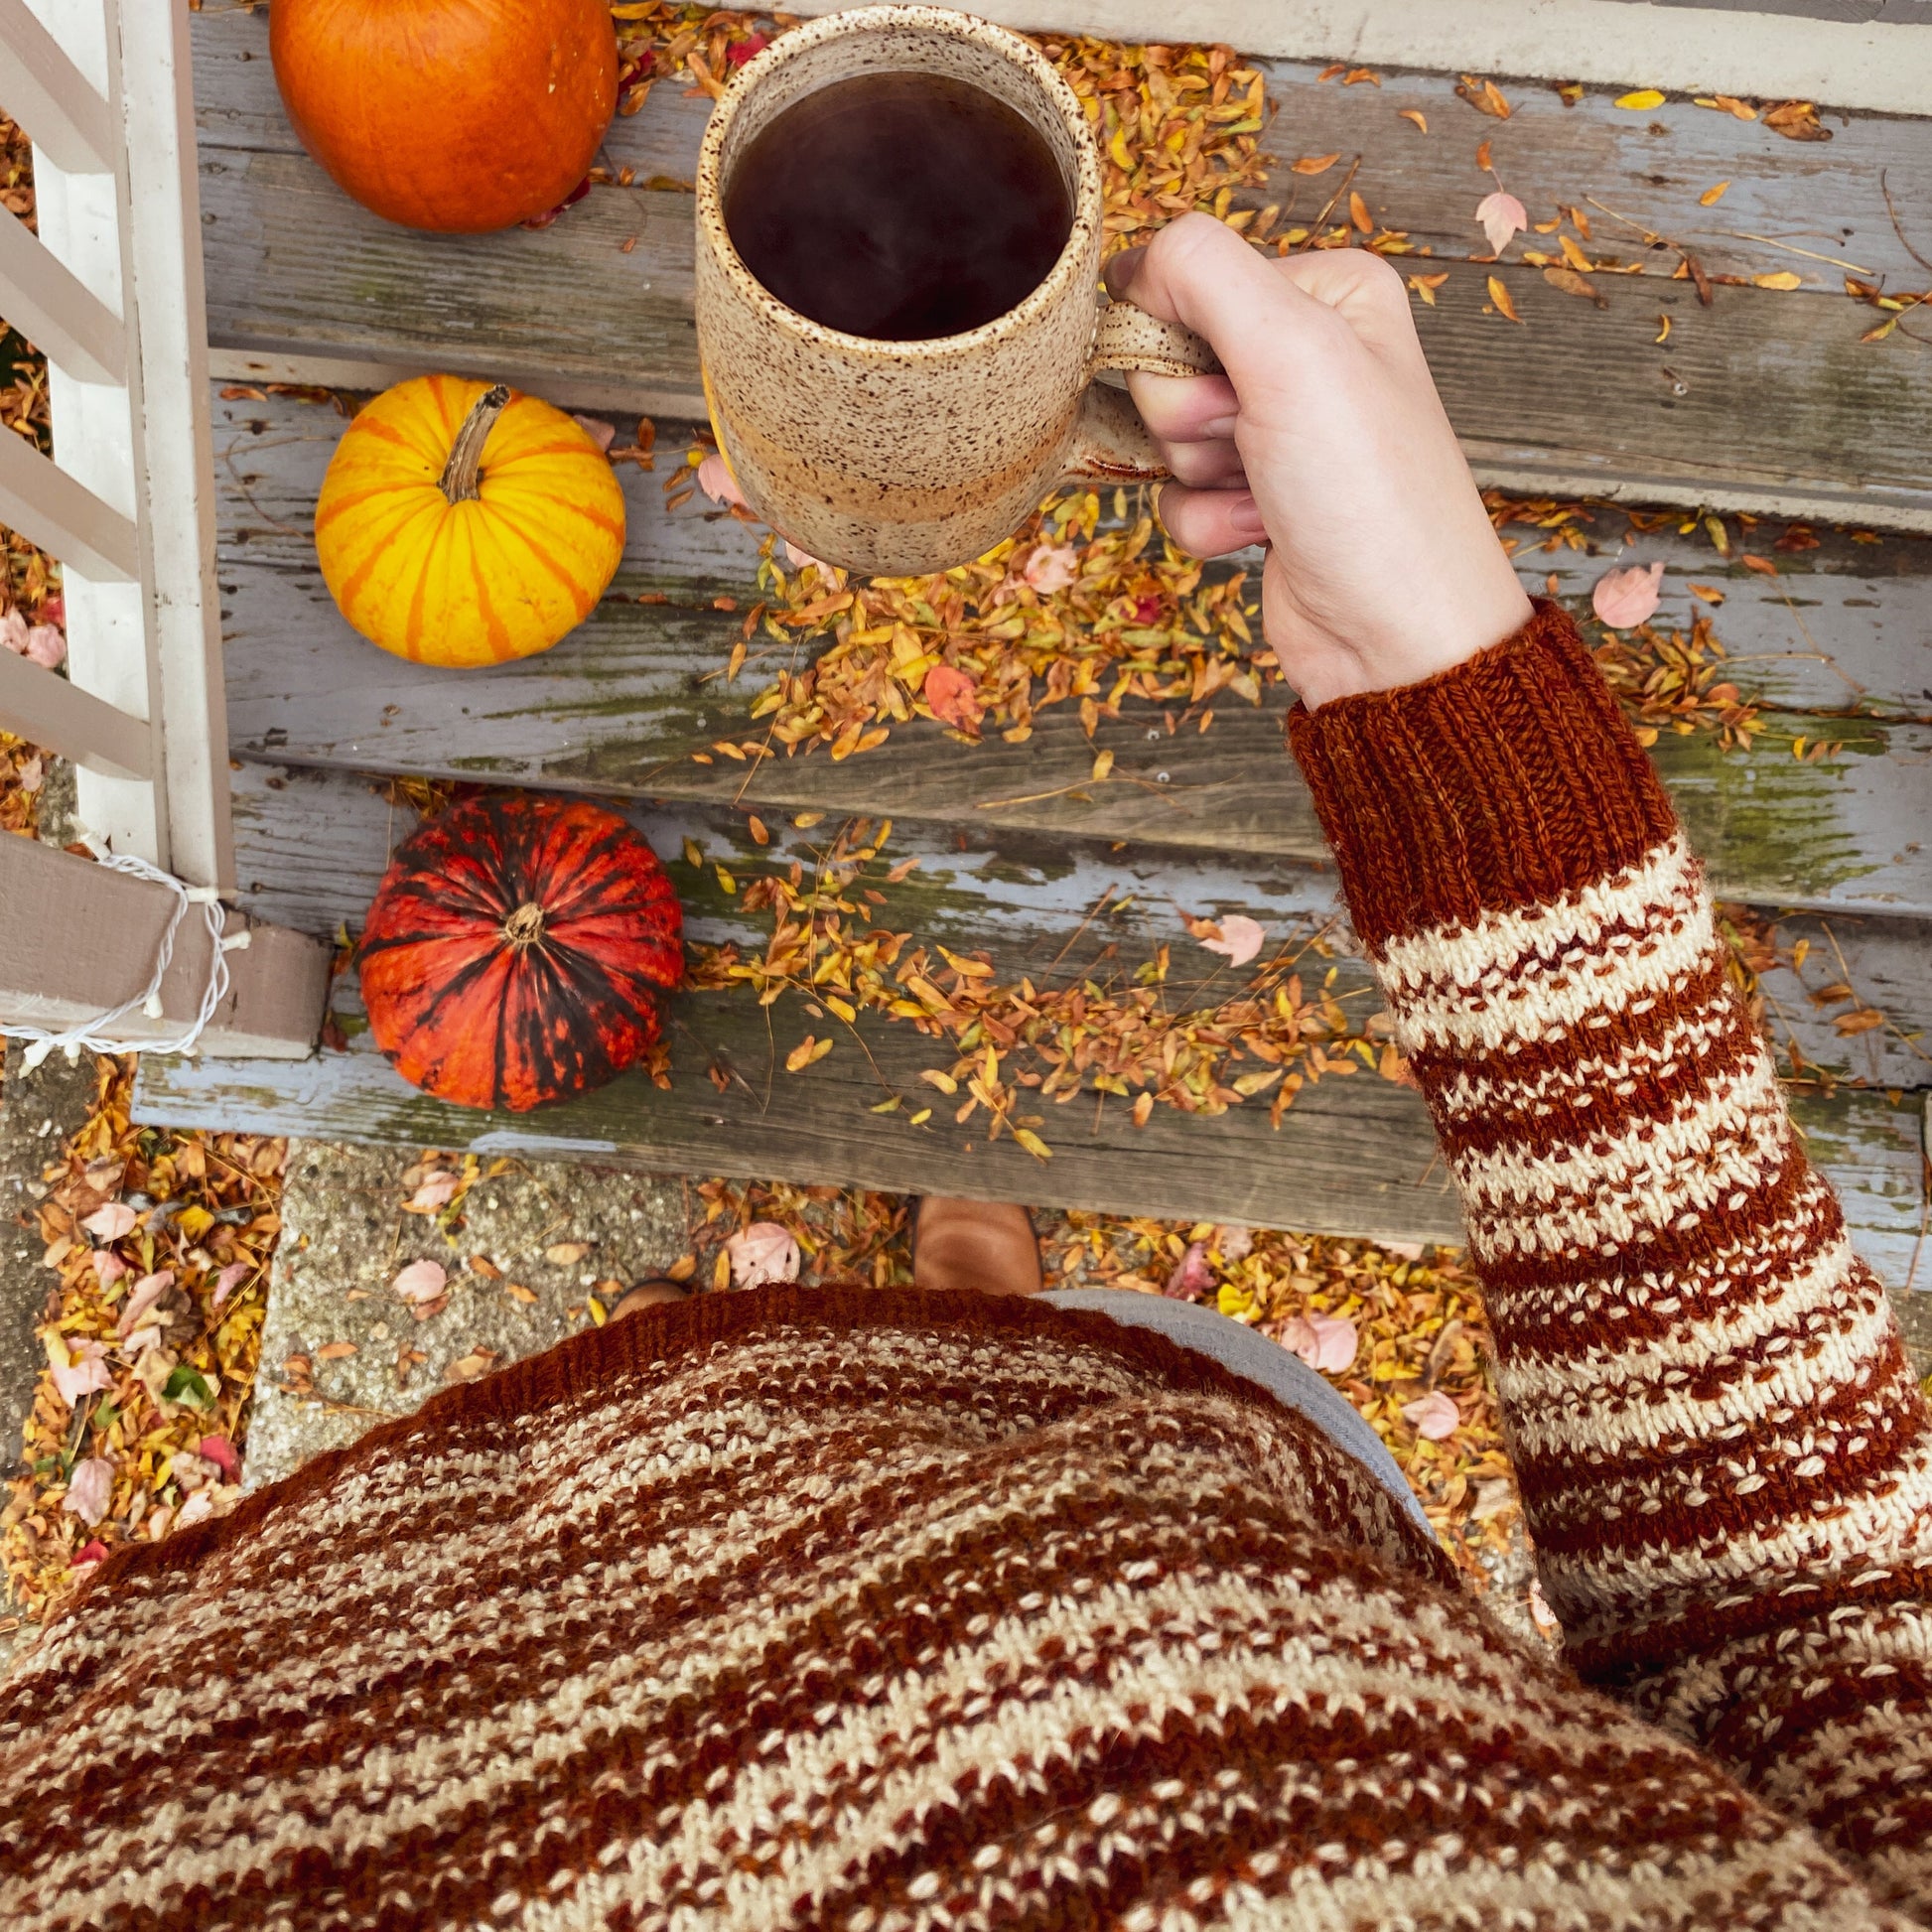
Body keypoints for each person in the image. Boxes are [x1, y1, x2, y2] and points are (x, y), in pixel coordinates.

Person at [2, 211, 1927, 1929]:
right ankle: (971, 1315)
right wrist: (1433, 676)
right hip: (1175, 1490)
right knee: (1084, 1375)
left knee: (861, 1416)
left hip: (568, 1536)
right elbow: (1818, 1649)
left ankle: (906, 1343)